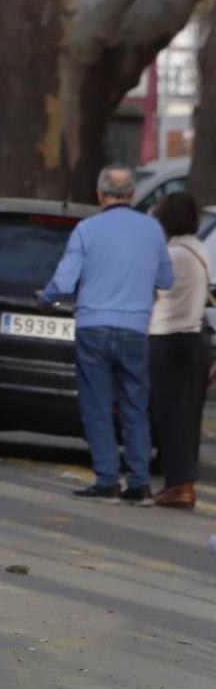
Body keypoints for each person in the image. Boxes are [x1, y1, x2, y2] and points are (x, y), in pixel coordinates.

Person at [39, 166, 174, 503]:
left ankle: (107, 480)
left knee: (97, 405)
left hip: (93, 327)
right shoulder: (153, 230)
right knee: (134, 405)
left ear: (100, 195)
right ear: (131, 194)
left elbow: (65, 282)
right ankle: (139, 483)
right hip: (134, 329)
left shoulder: (87, 229)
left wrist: (45, 298)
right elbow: (167, 280)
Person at [147, 192, 210, 509]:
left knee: (169, 413)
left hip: (167, 336)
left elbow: (153, 288)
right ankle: (183, 480)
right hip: (191, 336)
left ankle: (178, 483)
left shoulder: (173, 254)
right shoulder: (197, 249)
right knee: (185, 413)